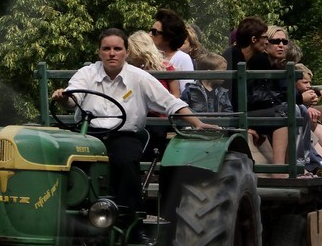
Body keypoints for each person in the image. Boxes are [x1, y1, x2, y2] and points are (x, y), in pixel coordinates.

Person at [52, 28, 212, 212]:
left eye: (117, 49)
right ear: (99, 52)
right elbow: (73, 99)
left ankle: (129, 218)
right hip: (88, 135)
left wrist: (197, 123)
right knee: (64, 161)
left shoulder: (139, 77)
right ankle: (68, 212)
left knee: (126, 160)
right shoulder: (86, 73)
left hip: (123, 135)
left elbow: (170, 103)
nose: (112, 53)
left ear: (127, 52)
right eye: (106, 48)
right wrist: (63, 97)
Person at [224, 17, 290, 165]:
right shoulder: (233, 58)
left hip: (241, 112)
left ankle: (292, 165)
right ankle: (280, 170)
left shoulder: (248, 59)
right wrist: (244, 125)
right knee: (283, 112)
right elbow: (230, 97)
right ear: (254, 39)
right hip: (232, 115)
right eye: (265, 38)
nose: (267, 42)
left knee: (288, 110)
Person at [180, 50, 233, 117]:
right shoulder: (191, 89)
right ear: (209, 72)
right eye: (222, 71)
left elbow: (228, 112)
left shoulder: (222, 91)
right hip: (196, 125)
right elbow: (183, 109)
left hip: (218, 126)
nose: (225, 75)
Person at [152, 8, 194, 95]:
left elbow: (187, 92)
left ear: (168, 36)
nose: (149, 35)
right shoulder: (150, 58)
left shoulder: (182, 58)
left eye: (154, 32)